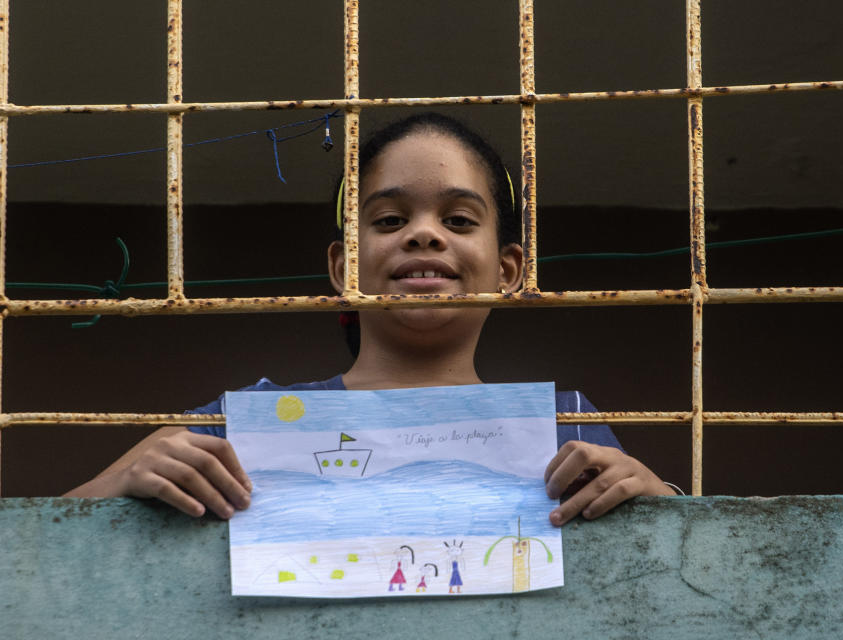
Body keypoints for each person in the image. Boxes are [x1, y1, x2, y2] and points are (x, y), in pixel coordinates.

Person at [65, 112, 675, 524]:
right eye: (388, 221)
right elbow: (29, 538)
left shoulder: (565, 427)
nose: (424, 236)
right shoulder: (241, 425)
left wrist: (659, 499)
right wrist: (126, 479)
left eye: (459, 220)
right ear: (342, 268)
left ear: (509, 270)